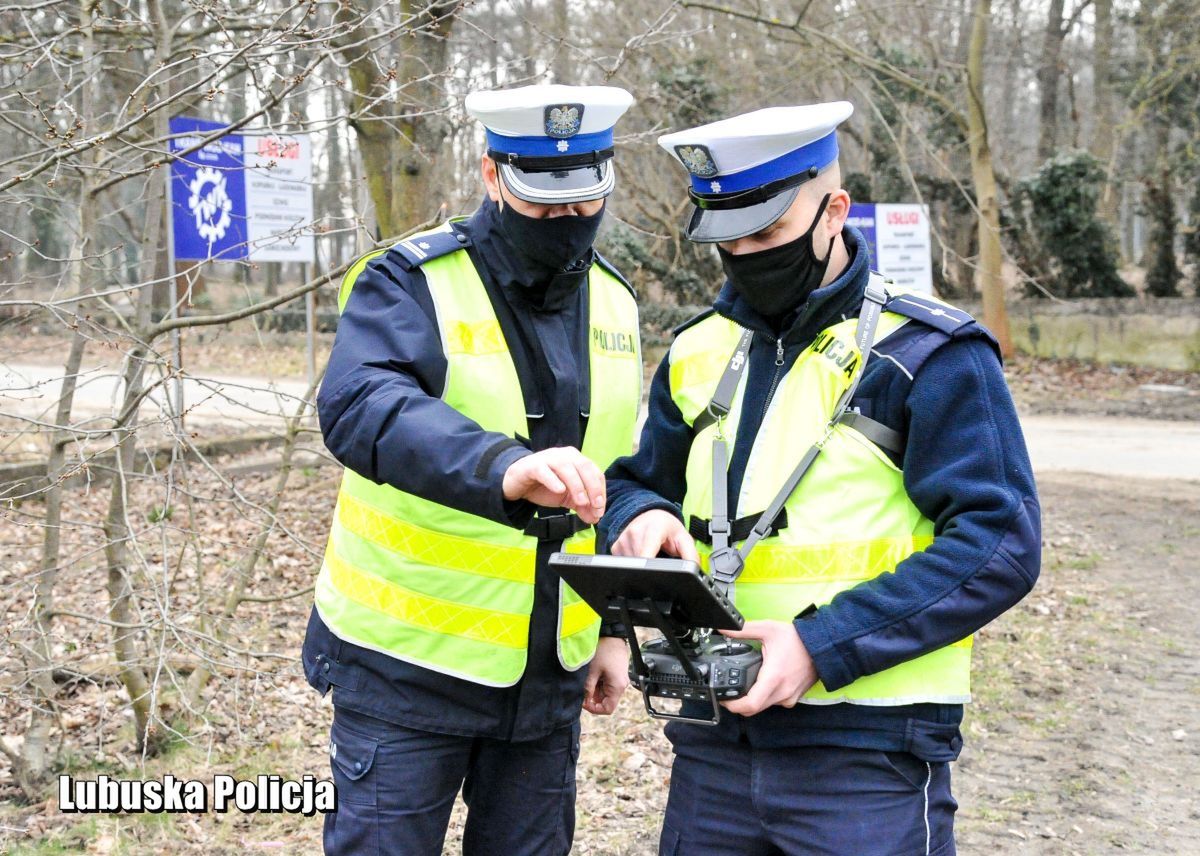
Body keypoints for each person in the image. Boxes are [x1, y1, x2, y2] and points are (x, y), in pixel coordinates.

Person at [598, 101, 1041, 855]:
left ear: (835, 211)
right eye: (726, 242)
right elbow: (638, 482)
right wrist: (639, 517)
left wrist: (821, 644)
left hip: (868, 748)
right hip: (714, 737)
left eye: (768, 234)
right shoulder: (698, 350)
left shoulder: (930, 354)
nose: (745, 256)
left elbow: (1000, 545)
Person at [303, 84, 641, 856]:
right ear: (492, 174)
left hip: (548, 676)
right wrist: (501, 467)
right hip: (406, 673)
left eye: (585, 201)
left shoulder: (616, 304)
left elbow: (617, 480)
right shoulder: (410, 280)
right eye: (544, 200)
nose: (567, 220)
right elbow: (362, 404)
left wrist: (615, 628)